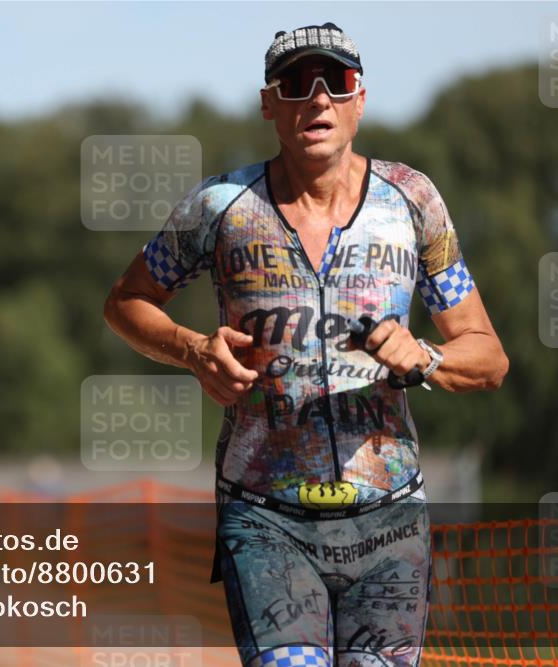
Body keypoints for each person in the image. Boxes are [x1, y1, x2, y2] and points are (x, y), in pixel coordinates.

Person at [103, 22, 508, 667]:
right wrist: (193, 350)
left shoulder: (412, 201)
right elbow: (126, 301)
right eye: (294, 84)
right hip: (267, 520)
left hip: (389, 521)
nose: (317, 99)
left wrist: (427, 357)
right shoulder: (219, 206)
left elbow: (487, 357)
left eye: (335, 82)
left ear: (360, 99)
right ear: (269, 104)